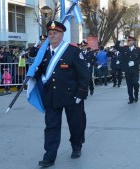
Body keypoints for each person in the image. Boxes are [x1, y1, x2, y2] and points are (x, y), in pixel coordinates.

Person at [34, 21, 90, 168]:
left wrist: (81, 93)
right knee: (51, 127)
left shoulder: (73, 51)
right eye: (50, 33)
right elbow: (40, 71)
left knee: (76, 124)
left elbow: (84, 74)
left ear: (62, 34)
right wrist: (31, 72)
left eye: (55, 33)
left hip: (72, 96)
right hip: (51, 96)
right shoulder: (44, 53)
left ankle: (76, 146)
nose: (52, 36)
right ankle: (49, 156)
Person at [114, 36, 140, 104]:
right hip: (127, 70)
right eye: (127, 41)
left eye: (129, 41)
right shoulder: (125, 48)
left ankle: (136, 94)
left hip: (135, 70)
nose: (128, 42)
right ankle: (131, 98)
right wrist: (118, 40)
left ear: (133, 42)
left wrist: (134, 63)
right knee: (129, 85)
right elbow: (116, 47)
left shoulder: (137, 50)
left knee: (135, 83)